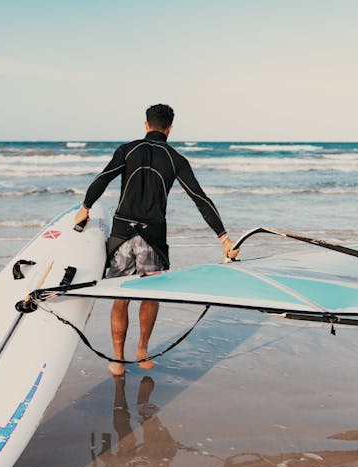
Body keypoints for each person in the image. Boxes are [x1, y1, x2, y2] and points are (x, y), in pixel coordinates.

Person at [75, 103, 237, 376]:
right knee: (150, 295)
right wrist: (223, 237)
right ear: (170, 128)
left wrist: (85, 208)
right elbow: (199, 198)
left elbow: (103, 178)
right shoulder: (176, 158)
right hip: (153, 236)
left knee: (121, 296)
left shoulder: (128, 150)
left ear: (146, 124)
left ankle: (117, 360)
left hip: (122, 233)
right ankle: (142, 350)